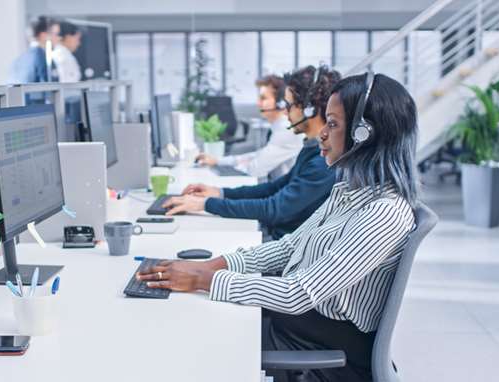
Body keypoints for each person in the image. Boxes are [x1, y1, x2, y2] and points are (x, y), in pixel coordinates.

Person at [138, 72, 420, 382]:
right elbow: (288, 248)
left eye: (334, 124)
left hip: (324, 347)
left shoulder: (384, 213)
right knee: (188, 310)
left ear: (364, 134)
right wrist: (214, 265)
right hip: (298, 325)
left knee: (190, 330)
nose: (322, 134)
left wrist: (205, 279)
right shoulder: (348, 191)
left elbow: (298, 293)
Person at [162, 65, 339, 240]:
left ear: (310, 109)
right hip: (278, 238)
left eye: (288, 105)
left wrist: (205, 204)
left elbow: (274, 209)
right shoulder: (312, 149)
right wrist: (220, 193)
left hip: (283, 247)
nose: (284, 111)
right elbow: (274, 188)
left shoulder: (323, 161)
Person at [195, 75, 302, 178]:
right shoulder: (279, 127)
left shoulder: (286, 131)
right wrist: (218, 161)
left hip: (285, 193)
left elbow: (255, 169)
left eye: (263, 98)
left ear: (281, 103)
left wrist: (230, 166)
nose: (258, 103)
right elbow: (260, 155)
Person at [8, 16, 60, 84]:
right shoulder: (44, 59)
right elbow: (52, 88)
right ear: (43, 35)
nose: (59, 38)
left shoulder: (19, 60)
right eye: (56, 34)